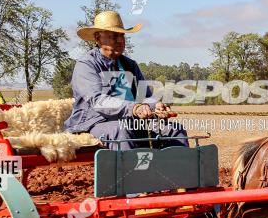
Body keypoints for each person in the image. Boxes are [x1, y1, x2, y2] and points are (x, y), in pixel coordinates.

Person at [64, 10, 188, 149]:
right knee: (121, 130)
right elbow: (98, 101)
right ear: (98, 38)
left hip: (130, 121)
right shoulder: (87, 64)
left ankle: (179, 169)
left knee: (174, 130)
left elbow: (144, 97)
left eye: (122, 35)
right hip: (95, 123)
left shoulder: (130, 65)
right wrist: (134, 108)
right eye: (114, 35)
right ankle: (134, 171)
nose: (120, 40)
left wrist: (155, 106)